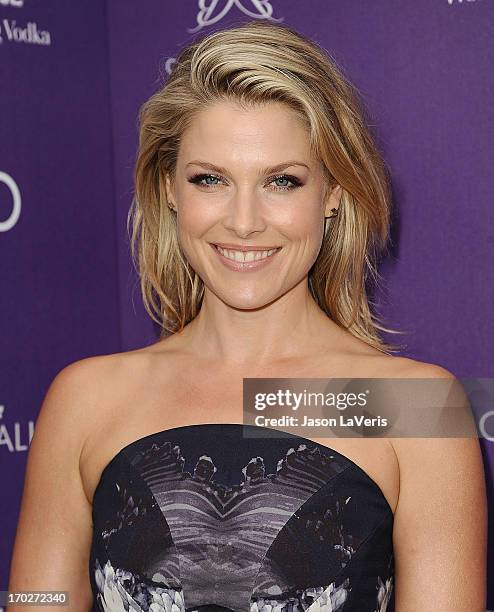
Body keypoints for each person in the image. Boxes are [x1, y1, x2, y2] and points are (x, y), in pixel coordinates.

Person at [8, 20, 487, 612]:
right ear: (169, 190)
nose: (243, 221)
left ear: (333, 193)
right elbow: (35, 598)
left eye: (282, 181)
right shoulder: (85, 397)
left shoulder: (412, 405)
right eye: (210, 179)